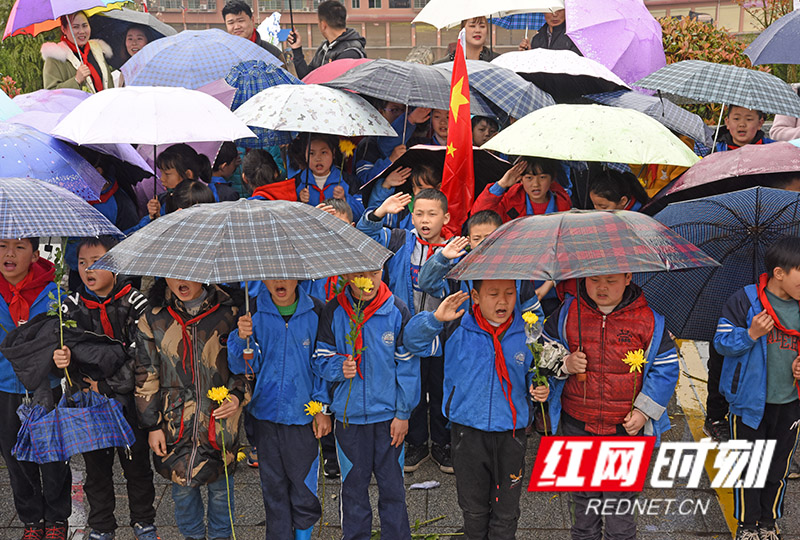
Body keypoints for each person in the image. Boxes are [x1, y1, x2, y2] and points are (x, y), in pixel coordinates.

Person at [404, 283, 549, 539]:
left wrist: (539, 386)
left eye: (509, 293)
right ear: (475, 296)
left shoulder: (528, 332)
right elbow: (413, 343)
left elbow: (534, 370)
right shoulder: (456, 327)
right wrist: (435, 319)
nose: (502, 301)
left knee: (506, 510)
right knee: (473, 508)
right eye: (493, 294)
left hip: (511, 434)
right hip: (467, 433)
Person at [544, 273, 679, 540]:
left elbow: (665, 370)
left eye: (611, 280)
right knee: (582, 503)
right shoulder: (567, 312)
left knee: (620, 506)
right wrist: (565, 364)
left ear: (628, 277)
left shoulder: (650, 320)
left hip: (623, 430)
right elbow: (545, 348)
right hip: (577, 424)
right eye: (594, 279)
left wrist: (643, 411)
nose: (602, 287)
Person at [53, 237, 159, 540]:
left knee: (136, 464)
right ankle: (101, 526)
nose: (89, 269)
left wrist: (107, 385)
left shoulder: (136, 303)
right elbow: (63, 350)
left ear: (115, 264)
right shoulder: (69, 306)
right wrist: (62, 359)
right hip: (89, 404)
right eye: (83, 263)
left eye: (98, 261)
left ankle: (143, 521)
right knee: (96, 469)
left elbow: (143, 357)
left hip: (129, 401)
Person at [135, 277, 247, 540]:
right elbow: (146, 373)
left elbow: (247, 367)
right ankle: (192, 536)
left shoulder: (230, 311)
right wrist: (152, 425)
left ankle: (221, 536)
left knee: (222, 491)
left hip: (219, 422)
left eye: (189, 273)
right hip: (175, 424)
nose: (181, 281)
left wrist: (238, 396)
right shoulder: (153, 317)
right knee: (183, 492)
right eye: (173, 274)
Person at [312, 269, 421, 540]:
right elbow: (319, 359)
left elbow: (407, 366)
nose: (368, 280)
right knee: (353, 489)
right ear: (347, 276)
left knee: (393, 488)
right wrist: (338, 368)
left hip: (388, 420)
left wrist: (403, 412)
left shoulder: (396, 309)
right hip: (349, 420)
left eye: (374, 272)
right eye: (360, 274)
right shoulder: (334, 310)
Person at [357, 190, 453, 472]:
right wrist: (379, 213)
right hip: (405, 331)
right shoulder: (399, 240)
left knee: (440, 389)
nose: (425, 220)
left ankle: (443, 443)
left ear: (445, 217)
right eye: (420, 213)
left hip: (442, 334)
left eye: (432, 214)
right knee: (410, 388)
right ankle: (417, 443)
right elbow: (366, 237)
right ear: (412, 216)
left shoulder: (453, 248)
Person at [228, 278, 329, 540]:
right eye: (273, 276)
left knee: (303, 483)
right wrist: (242, 339)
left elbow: (322, 365)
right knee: (273, 485)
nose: (280, 281)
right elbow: (243, 367)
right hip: (265, 415)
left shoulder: (317, 312)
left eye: (287, 275)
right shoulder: (253, 314)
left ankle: (303, 535)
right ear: (262, 278)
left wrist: (320, 407)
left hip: (303, 415)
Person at [714, 236, 800, 540]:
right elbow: (721, 342)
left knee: (778, 469)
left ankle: (767, 522)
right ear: (779, 273)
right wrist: (750, 334)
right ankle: (747, 525)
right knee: (748, 467)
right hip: (748, 404)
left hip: (789, 403)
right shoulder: (744, 301)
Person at [0, 238, 72, 540]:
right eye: (2, 246)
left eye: (18, 247)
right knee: (15, 456)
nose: (9, 254)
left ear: (33, 253)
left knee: (53, 455)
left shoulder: (54, 293)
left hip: (46, 386)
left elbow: (68, 338)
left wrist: (64, 356)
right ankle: (31, 519)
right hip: (5, 386)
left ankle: (57, 518)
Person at [472, 157, 572, 222]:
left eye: (542, 177)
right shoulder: (510, 202)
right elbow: (479, 217)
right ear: (520, 179)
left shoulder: (563, 204)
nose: (535, 184)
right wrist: (501, 184)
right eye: (529, 178)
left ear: (552, 178)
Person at [292, 134, 365, 221]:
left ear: (333, 153)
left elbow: (361, 215)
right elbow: (288, 216)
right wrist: (299, 201)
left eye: (323, 152)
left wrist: (344, 198)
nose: (318, 158)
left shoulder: (348, 181)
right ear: (305, 155)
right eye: (311, 153)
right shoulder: (296, 182)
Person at [287, 0, 366, 80]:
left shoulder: (350, 52)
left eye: (318, 22)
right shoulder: (324, 48)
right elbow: (307, 77)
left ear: (323, 25)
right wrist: (297, 49)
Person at [41, 11, 114, 92]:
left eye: (85, 25)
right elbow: (51, 94)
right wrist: (76, 80)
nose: (82, 31)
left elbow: (109, 83)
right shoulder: (55, 57)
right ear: (64, 29)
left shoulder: (97, 50)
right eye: (76, 27)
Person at [222, 0, 285, 65]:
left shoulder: (272, 53)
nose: (236, 27)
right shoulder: (222, 55)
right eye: (231, 23)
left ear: (252, 20)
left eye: (240, 21)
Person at [435, 17, 499, 63]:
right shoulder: (445, 64)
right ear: (462, 32)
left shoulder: (497, 61)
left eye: (482, 26)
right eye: (472, 26)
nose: (478, 30)